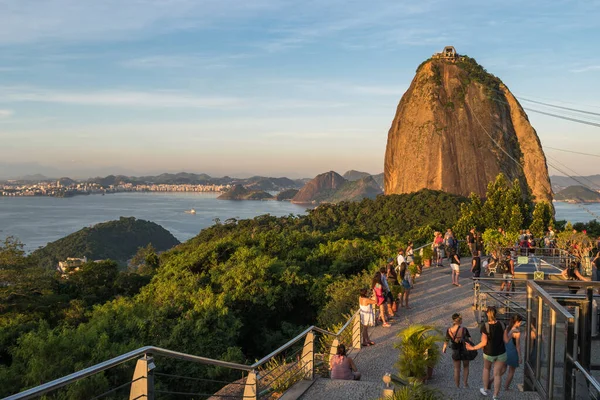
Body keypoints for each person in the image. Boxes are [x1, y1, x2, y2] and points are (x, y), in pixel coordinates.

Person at [466, 306, 506, 400]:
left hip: (489, 353)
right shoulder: (502, 324)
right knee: (497, 374)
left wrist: (473, 348)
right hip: (501, 352)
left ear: (487, 313)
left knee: (486, 369)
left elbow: (483, 342)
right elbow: (505, 339)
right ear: (496, 314)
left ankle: (485, 389)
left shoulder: (485, 326)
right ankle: (495, 396)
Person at [442, 313, 472, 388]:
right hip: (464, 350)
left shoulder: (449, 330)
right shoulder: (464, 329)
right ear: (460, 320)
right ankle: (465, 384)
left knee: (456, 369)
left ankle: (457, 386)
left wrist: (444, 348)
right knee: (466, 366)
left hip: (455, 350)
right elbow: (470, 339)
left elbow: (446, 340)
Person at [502, 315, 523, 391]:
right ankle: (506, 387)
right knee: (511, 371)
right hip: (513, 353)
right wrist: (520, 357)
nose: (521, 323)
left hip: (505, 351)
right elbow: (518, 346)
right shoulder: (517, 332)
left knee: (502, 370)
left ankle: (490, 381)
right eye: (520, 322)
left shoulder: (507, 328)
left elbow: (505, 340)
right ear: (517, 322)